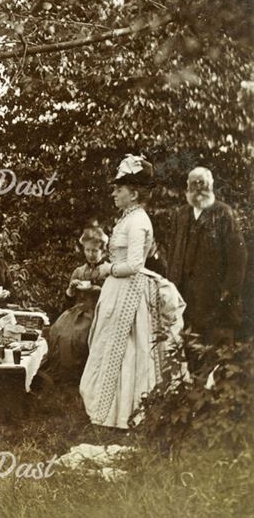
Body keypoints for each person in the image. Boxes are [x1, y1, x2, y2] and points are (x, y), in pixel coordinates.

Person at [80, 155, 179, 429]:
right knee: (110, 347)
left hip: (130, 291)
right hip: (118, 289)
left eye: (119, 189)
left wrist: (107, 270)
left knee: (127, 351)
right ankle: (109, 409)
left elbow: (135, 264)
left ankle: (125, 413)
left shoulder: (139, 221)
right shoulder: (128, 218)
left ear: (134, 194)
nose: (114, 193)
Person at [165, 167, 247, 346]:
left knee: (213, 353)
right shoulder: (181, 215)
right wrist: (171, 285)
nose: (199, 190)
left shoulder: (224, 213)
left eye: (203, 185)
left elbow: (238, 258)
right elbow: (173, 255)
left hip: (214, 300)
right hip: (183, 296)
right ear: (187, 187)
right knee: (185, 350)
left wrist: (227, 291)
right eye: (194, 185)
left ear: (211, 186)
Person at [44, 223, 110, 384]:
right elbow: (68, 302)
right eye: (87, 250)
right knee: (57, 331)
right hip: (78, 310)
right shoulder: (79, 271)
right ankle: (61, 375)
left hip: (100, 310)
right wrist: (71, 290)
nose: (91, 254)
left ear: (103, 251)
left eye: (95, 250)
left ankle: (79, 377)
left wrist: (99, 289)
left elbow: (115, 296)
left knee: (77, 337)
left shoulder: (108, 270)